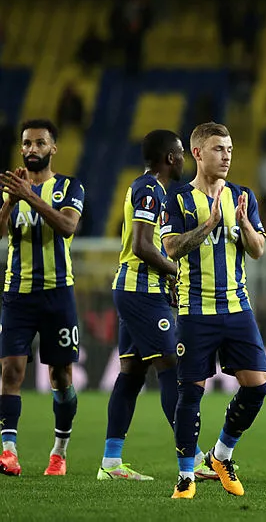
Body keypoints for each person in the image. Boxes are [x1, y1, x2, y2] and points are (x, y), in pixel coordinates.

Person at [96, 129, 215, 481]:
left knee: (131, 375)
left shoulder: (155, 189)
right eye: (181, 153)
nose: (184, 159)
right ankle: (192, 455)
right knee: (173, 370)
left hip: (139, 290)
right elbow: (142, 246)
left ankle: (111, 462)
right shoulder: (149, 189)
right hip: (140, 291)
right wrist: (173, 270)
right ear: (171, 158)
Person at [161, 122, 266, 499]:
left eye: (229, 149)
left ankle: (220, 455)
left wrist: (242, 225)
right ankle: (186, 476)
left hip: (238, 307)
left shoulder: (242, 196)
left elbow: (257, 250)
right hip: (195, 311)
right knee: (190, 392)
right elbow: (171, 248)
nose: (226, 155)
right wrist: (208, 225)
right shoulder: (176, 199)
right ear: (197, 153)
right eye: (218, 148)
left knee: (258, 386)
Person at [0, 119, 84, 476]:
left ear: (53, 148)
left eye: (40, 143)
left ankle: (59, 452)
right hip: (17, 293)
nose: (32, 149)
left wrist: (30, 198)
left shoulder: (69, 186)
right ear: (21, 149)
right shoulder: (9, 189)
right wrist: (10, 202)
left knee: (61, 377)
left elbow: (66, 227)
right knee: (11, 370)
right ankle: (8, 452)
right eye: (27, 143)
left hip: (57, 293)